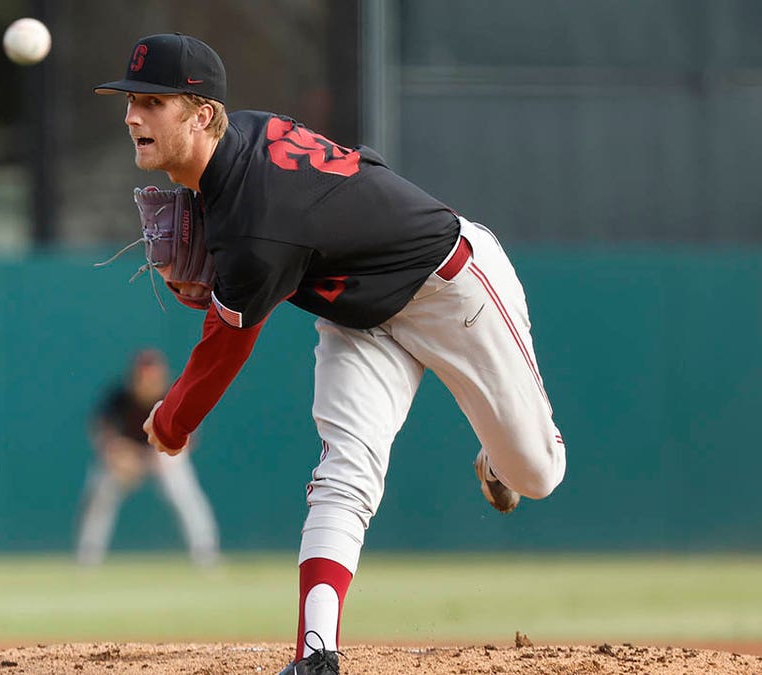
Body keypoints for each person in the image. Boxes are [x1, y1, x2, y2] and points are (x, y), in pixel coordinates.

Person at [93, 33, 567, 674]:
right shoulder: (241, 143)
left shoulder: (257, 220)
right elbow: (270, 245)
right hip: (358, 317)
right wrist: (228, 276)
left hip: (450, 288)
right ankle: (316, 655)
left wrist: (173, 420)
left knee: (537, 475)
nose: (131, 115)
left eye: (151, 102)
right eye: (130, 101)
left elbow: (228, 342)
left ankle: (500, 458)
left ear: (201, 113)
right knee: (344, 472)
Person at [76, 348, 220, 567]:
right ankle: (88, 556)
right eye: (143, 376)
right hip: (126, 457)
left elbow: (191, 437)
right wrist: (116, 453)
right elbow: (101, 432)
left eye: (152, 376)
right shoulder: (119, 397)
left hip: (163, 454)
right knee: (100, 491)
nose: (148, 381)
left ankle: (206, 553)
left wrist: (164, 456)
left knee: (183, 492)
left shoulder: (172, 394)